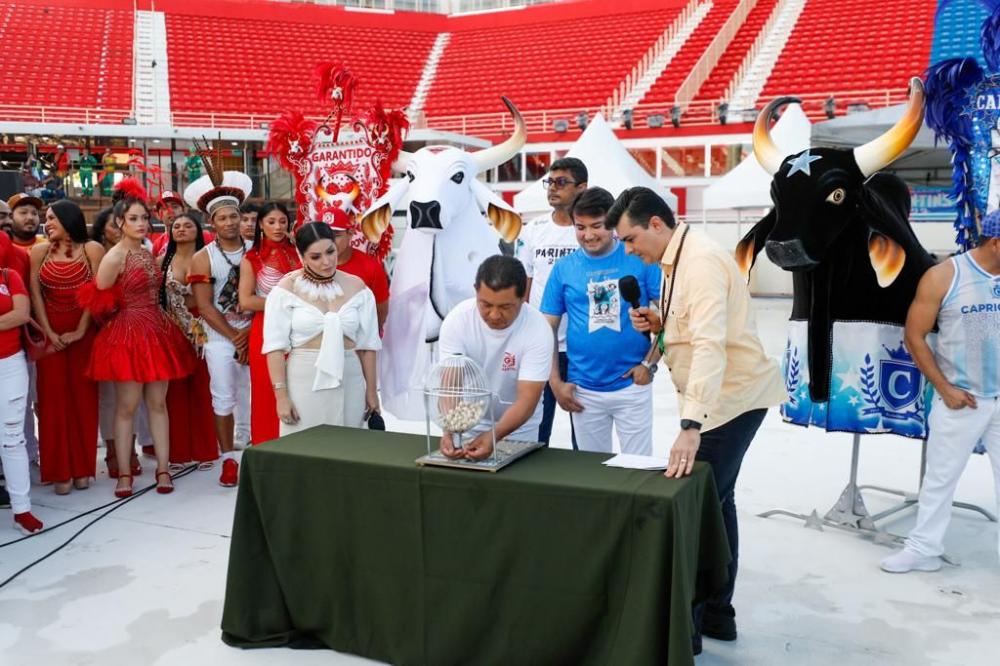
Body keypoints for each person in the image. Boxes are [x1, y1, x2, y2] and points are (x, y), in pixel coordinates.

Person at [606, 186, 786, 653]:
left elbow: (710, 346)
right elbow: (689, 330)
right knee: (716, 503)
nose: (627, 249)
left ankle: (690, 622)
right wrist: (658, 326)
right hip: (721, 401)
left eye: (629, 239)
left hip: (729, 404)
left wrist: (691, 427)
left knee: (696, 508)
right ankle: (717, 615)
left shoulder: (701, 262)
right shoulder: (673, 261)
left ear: (657, 225)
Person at [880, 212, 1000, 573]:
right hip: (963, 398)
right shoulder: (945, 276)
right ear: (995, 243)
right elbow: (913, 336)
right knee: (940, 478)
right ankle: (923, 549)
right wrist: (944, 388)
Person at [81, 183, 195, 497]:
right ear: (120, 223)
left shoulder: (146, 251)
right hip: (127, 335)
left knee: (158, 404)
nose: (142, 223)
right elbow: (98, 300)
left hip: (157, 331)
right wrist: (120, 325)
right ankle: (125, 473)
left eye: (144, 217)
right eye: (134, 218)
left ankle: (163, 468)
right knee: (126, 407)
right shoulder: (113, 257)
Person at [539, 187, 661, 455]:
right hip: (583, 390)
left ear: (613, 223)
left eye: (597, 226)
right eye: (580, 227)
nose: (589, 235)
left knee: (638, 469)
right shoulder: (563, 268)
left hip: (632, 385)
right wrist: (556, 383)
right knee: (593, 473)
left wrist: (648, 365)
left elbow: (671, 315)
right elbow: (546, 328)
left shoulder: (639, 258)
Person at [263, 223, 379, 434]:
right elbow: (275, 348)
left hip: (350, 378)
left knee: (348, 448)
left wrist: (372, 391)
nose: (326, 262)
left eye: (330, 252)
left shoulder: (358, 287)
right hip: (304, 380)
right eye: (316, 257)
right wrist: (281, 397)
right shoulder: (285, 290)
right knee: (304, 450)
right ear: (302, 255)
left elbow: (368, 345)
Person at [435, 255, 553, 460]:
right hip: (467, 423)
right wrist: (450, 429)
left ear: (523, 295)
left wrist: (495, 435)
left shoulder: (538, 329)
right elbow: (450, 385)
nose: (494, 315)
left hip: (521, 429)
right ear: (475, 290)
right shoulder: (457, 320)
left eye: (505, 307)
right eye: (486, 305)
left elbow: (528, 399)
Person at [28, 201, 104, 494]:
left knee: (84, 399)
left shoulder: (92, 249)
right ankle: (59, 470)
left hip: (84, 334)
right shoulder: (39, 251)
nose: (46, 223)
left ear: (68, 219)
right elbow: (35, 295)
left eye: (52, 218)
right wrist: (48, 332)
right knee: (52, 402)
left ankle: (83, 468)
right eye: (45, 219)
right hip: (51, 336)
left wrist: (81, 329)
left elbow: (98, 290)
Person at [186, 165, 254, 485]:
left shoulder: (258, 250)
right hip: (220, 335)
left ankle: (259, 450)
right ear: (211, 222)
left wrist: (250, 334)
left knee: (257, 395)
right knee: (223, 395)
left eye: (233, 216)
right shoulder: (202, 258)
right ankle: (229, 459)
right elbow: (204, 305)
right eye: (222, 218)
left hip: (256, 330)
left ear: (241, 218)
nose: (229, 222)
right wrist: (235, 338)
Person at [516, 157, 587, 446]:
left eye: (561, 182)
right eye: (549, 182)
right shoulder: (532, 230)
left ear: (582, 188)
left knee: (581, 433)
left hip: (580, 347)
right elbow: (524, 287)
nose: (552, 188)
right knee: (535, 431)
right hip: (540, 345)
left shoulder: (590, 231)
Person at [159, 212, 219, 468]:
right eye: (176, 226)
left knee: (204, 388)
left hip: (205, 327)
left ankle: (206, 451)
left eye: (187, 225)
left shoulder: (210, 258)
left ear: (198, 229)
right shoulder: (162, 260)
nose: (181, 229)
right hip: (172, 329)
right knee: (175, 392)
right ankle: (179, 453)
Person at [239, 202, 300, 444]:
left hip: (300, 329)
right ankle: (267, 445)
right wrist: (286, 303)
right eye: (271, 222)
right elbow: (246, 300)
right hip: (266, 329)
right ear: (261, 225)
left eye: (282, 221)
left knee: (299, 388)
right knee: (268, 392)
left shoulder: (301, 252)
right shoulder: (251, 258)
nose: (277, 226)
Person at [0, 233, 43, 533]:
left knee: (12, 437)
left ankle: (22, 509)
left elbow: (21, 314)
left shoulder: (9, 275)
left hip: (10, 365)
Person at [330, 210, 389, 333]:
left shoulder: (370, 267)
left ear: (350, 234)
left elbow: (381, 311)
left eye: (336, 235)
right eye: (323, 235)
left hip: (357, 343)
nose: (329, 241)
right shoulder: (307, 265)